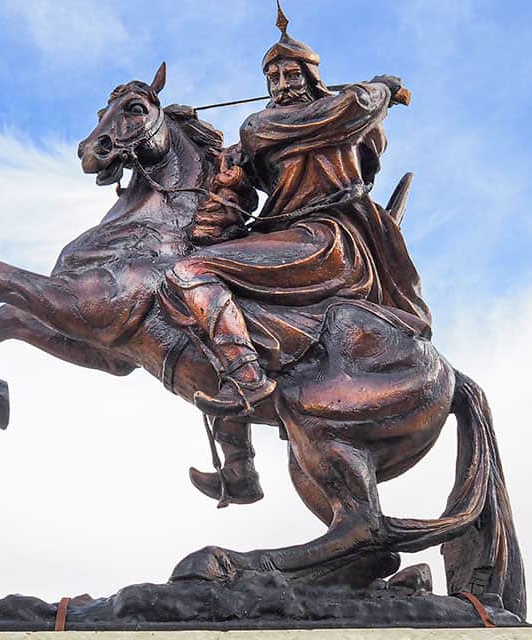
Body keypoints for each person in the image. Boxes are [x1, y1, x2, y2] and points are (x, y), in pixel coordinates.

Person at [161, 8, 431, 503]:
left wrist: (378, 91)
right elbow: (234, 201)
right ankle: (239, 467)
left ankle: (248, 385)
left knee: (190, 273)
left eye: (291, 73)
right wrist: (216, 201)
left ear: (312, 76)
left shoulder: (319, 117)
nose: (282, 83)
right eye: (273, 76)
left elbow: (348, 120)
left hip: (330, 240)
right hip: (289, 239)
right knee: (202, 314)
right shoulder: (267, 127)